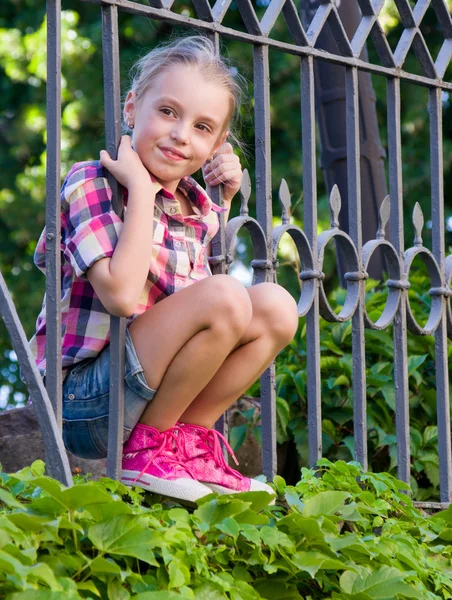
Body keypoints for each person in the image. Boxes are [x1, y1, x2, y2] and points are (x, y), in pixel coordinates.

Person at [30, 35, 299, 503]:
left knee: (276, 306)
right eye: (168, 112)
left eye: (202, 127)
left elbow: (200, 306)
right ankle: (145, 453)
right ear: (132, 108)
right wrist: (138, 188)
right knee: (226, 295)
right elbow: (120, 294)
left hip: (146, 389)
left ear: (216, 144)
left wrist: (224, 199)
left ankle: (185, 444)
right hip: (84, 404)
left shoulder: (195, 206)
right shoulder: (91, 182)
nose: (180, 135)